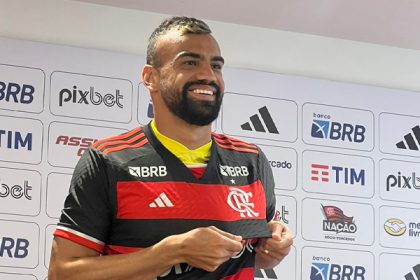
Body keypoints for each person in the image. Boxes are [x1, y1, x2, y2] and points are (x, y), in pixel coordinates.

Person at [48, 16, 293, 280]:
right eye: (190, 62)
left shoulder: (251, 161)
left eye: (216, 66)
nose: (208, 75)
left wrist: (272, 249)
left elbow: (255, 253)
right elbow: (63, 274)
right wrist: (171, 251)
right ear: (150, 77)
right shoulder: (109, 159)